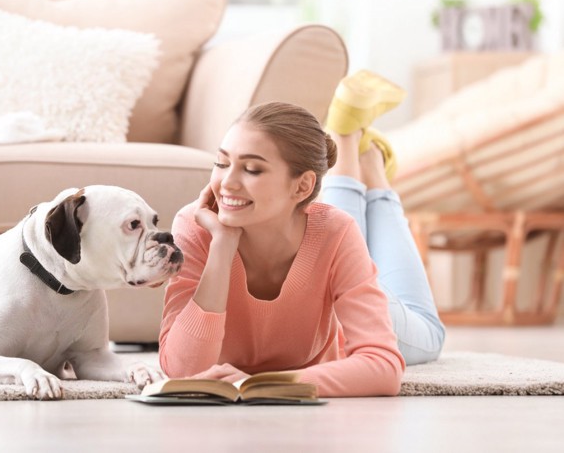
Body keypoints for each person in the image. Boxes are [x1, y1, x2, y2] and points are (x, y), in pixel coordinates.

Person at [158, 71, 444, 397]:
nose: (228, 183)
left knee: (429, 336)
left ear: (304, 185)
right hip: (311, 226)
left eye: (252, 169)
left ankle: (373, 164)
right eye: (222, 163)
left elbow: (383, 367)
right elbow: (184, 373)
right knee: (332, 222)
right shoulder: (196, 227)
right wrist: (222, 248)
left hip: (332, 263)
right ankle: (355, 145)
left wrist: (263, 385)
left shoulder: (335, 231)